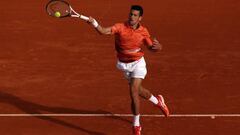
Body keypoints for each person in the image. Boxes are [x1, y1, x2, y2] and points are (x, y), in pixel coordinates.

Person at [87, 5, 170, 135]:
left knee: (133, 91)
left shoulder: (143, 31)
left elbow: (151, 48)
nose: (132, 17)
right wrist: (94, 23)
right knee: (140, 91)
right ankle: (157, 101)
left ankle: (136, 124)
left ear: (140, 18)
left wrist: (158, 47)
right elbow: (103, 31)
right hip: (124, 65)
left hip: (138, 63)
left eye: (135, 15)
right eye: (131, 14)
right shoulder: (120, 27)